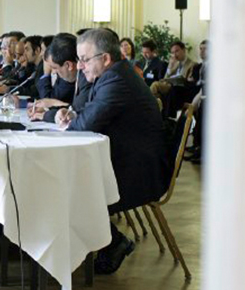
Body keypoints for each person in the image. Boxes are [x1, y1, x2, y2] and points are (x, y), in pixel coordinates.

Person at [54, 29, 171, 273]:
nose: (80, 66)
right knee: (65, 182)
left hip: (138, 172)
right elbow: (87, 113)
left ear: (105, 58)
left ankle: (113, 242)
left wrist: (71, 120)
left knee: (65, 187)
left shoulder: (116, 80)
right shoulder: (113, 75)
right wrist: (71, 115)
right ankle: (102, 243)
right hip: (126, 159)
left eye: (84, 60)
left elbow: (86, 124)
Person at [27, 33, 79, 119]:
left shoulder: (86, 79)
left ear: (68, 65)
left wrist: (53, 104)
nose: (54, 72)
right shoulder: (64, 77)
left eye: (54, 68)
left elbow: (81, 113)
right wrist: (47, 108)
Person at [150, 41, 197, 109]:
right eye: (172, 52)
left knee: (155, 85)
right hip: (169, 85)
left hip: (180, 88)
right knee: (156, 89)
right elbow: (165, 79)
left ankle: (153, 107)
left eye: (177, 51)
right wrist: (170, 66)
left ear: (184, 50)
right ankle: (157, 106)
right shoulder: (175, 63)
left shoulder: (192, 64)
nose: (175, 54)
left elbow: (187, 81)